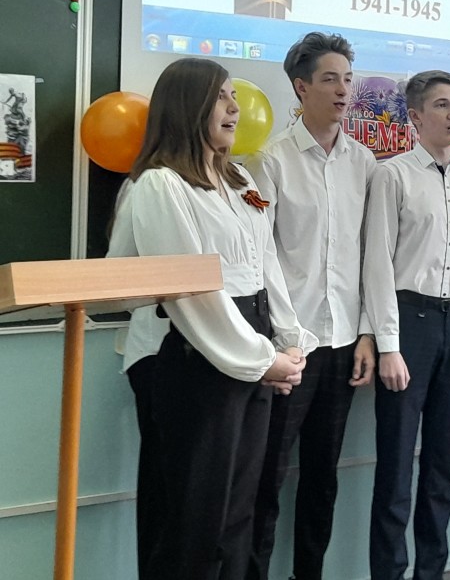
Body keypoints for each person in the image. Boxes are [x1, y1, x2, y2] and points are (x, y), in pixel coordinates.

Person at [106, 57, 315, 580]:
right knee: (193, 518)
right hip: (195, 352)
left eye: (234, 96)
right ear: (187, 106)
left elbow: (264, 265)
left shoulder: (239, 178)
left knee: (237, 514)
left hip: (249, 342)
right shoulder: (161, 185)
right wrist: (261, 359)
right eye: (220, 96)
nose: (233, 106)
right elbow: (191, 289)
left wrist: (289, 341)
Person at [245, 33, 377, 580]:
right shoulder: (269, 160)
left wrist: (367, 333)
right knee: (267, 476)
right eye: (329, 79)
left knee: (323, 477)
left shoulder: (364, 162)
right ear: (301, 87)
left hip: (343, 342)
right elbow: (261, 258)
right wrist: (286, 337)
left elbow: (372, 257)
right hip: (289, 348)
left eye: (347, 79)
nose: (343, 89)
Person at [363, 70, 450, 580]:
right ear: (416, 117)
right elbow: (377, 264)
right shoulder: (392, 175)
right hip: (409, 325)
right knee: (396, 466)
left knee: (443, 466)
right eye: (442, 105)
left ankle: (431, 572)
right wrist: (388, 345)